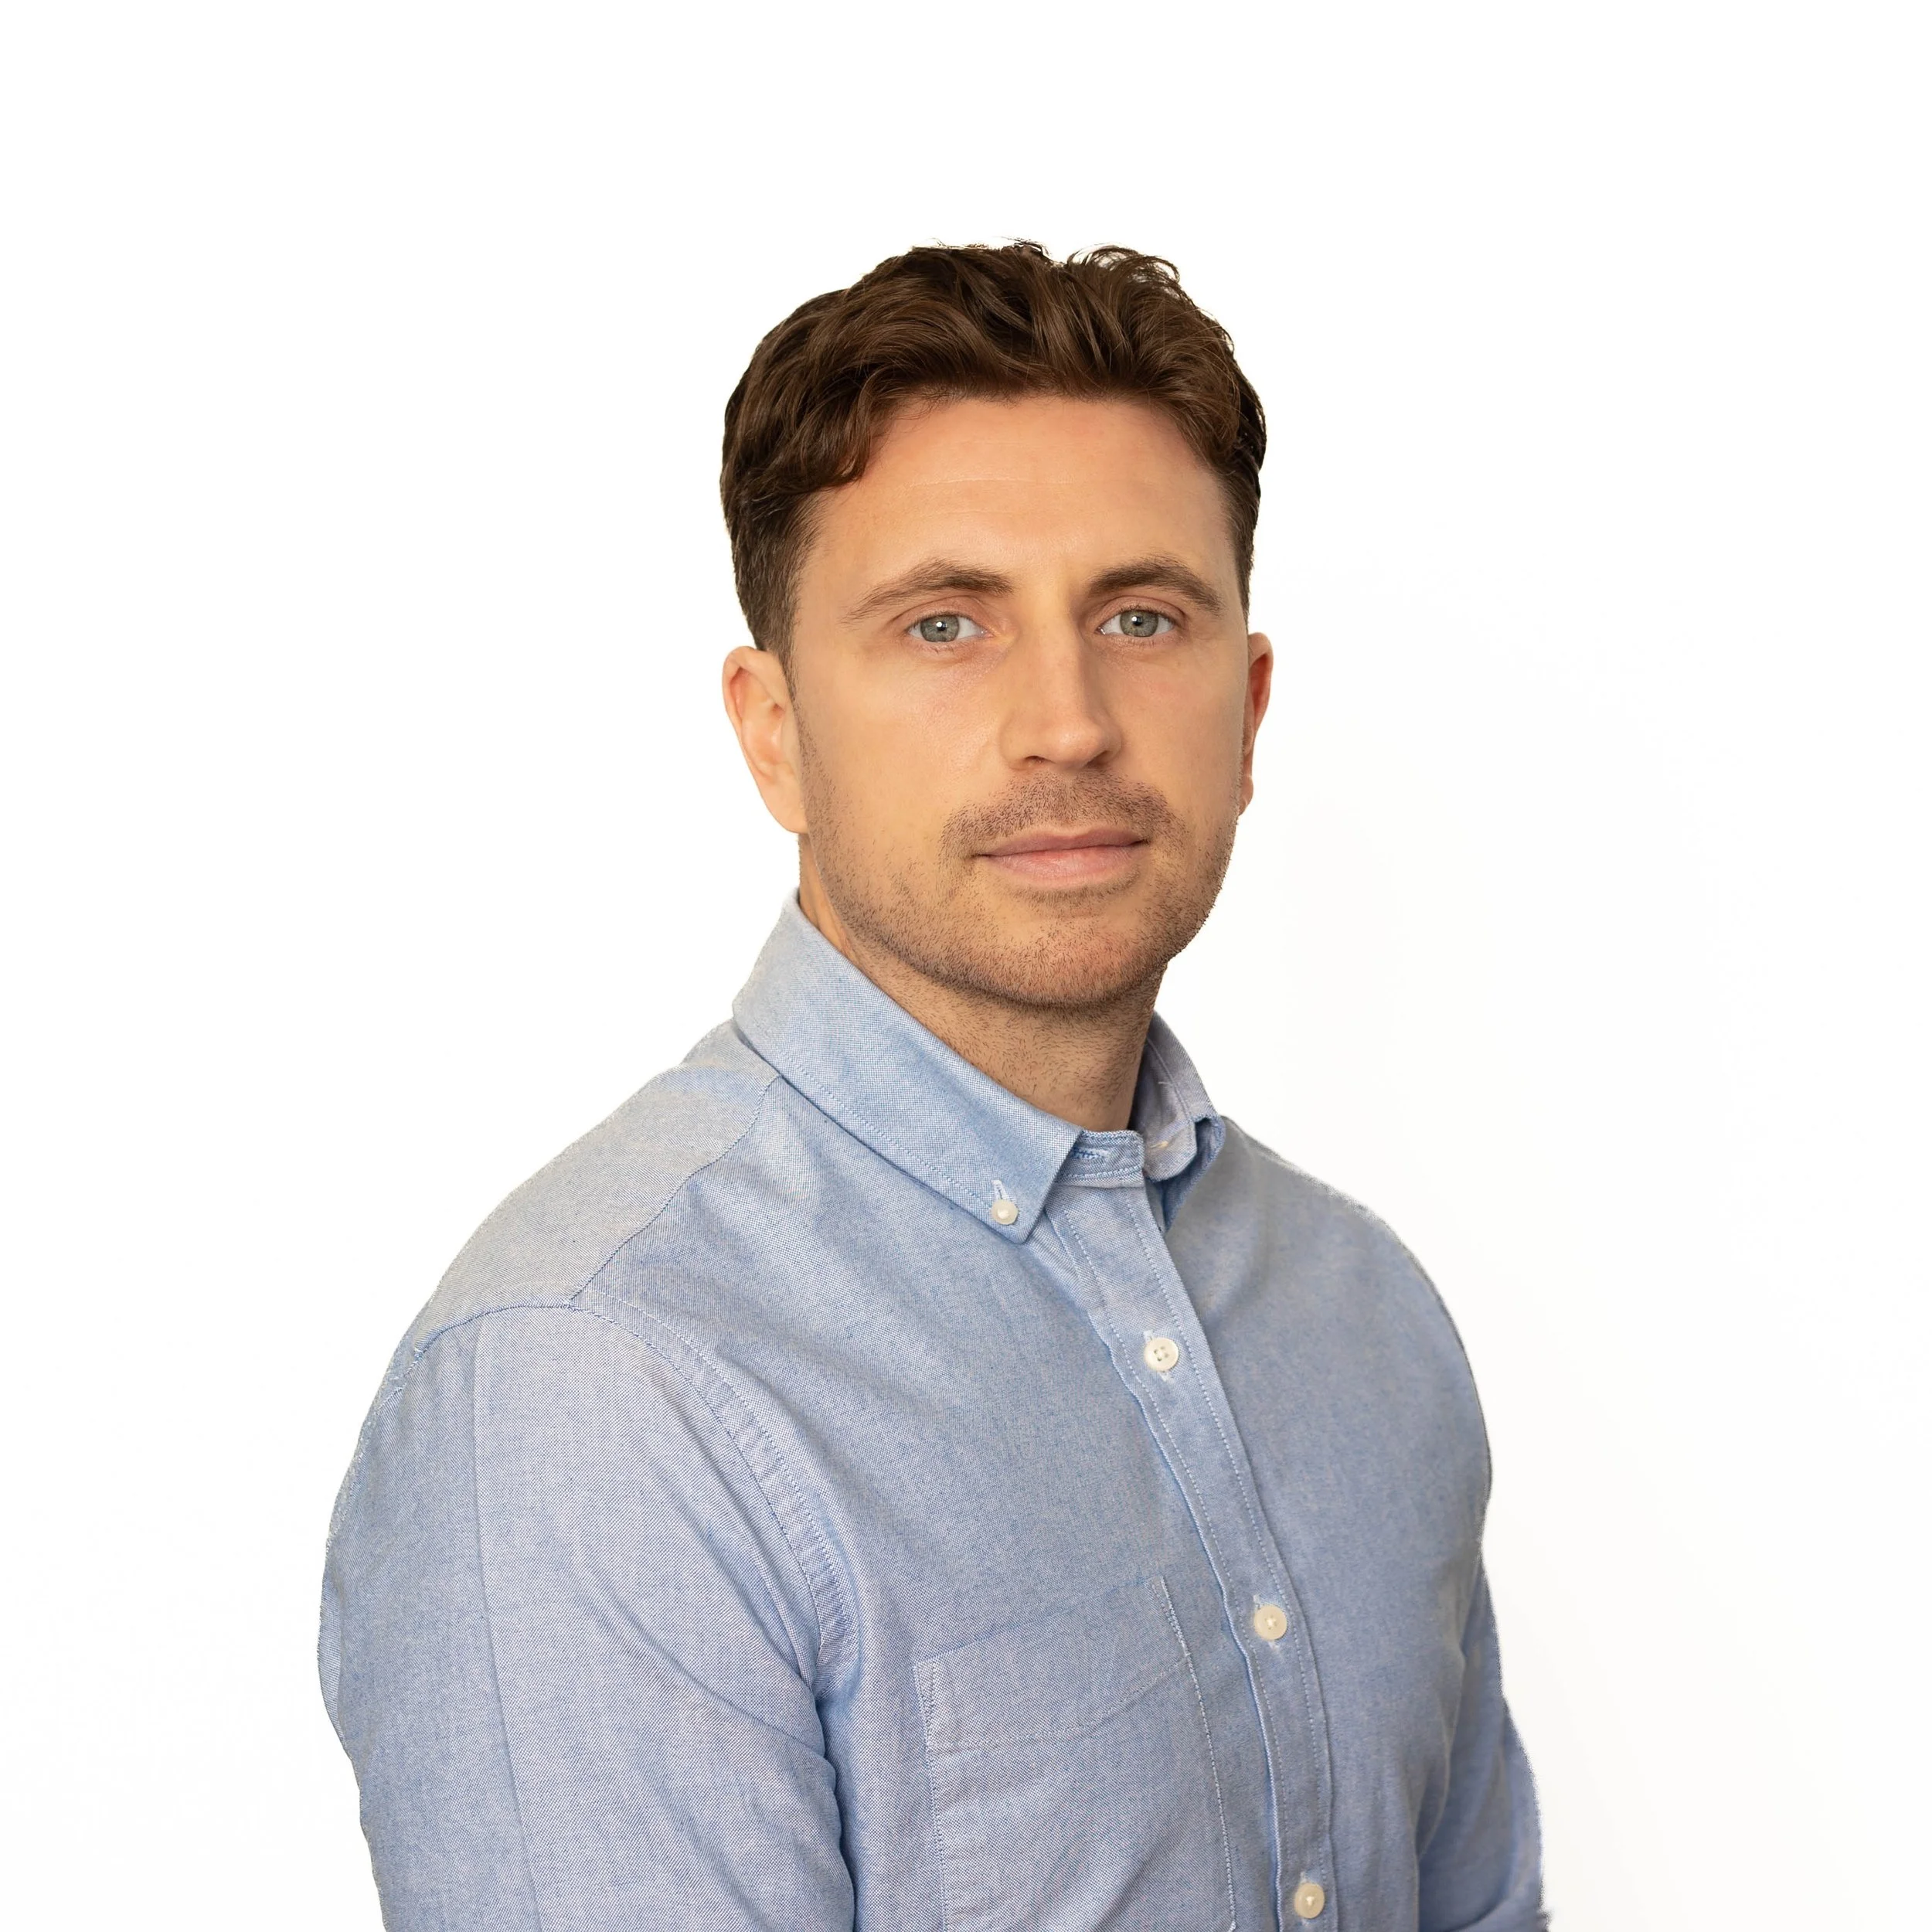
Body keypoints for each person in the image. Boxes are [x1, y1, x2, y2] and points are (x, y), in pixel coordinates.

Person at [320, 241, 1545, 1932]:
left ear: (1250, 708)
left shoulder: (1361, 1308)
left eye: (1139, 616)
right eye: (944, 623)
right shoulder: (591, 1386)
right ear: (773, 730)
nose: (1067, 722)